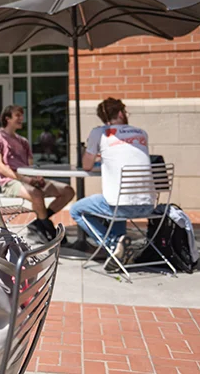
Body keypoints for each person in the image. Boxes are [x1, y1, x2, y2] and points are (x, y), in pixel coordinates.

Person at [70, 97, 155, 271]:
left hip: (120, 205)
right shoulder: (141, 133)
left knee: (76, 210)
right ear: (120, 113)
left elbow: (86, 165)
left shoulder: (100, 133)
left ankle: (112, 244)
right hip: (148, 205)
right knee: (116, 203)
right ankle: (119, 249)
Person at [0, 105, 75, 242]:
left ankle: (38, 223)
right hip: (10, 181)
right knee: (36, 194)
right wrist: (24, 179)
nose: (22, 118)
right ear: (7, 118)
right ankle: (49, 229)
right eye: (17, 115)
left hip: (29, 180)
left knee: (68, 191)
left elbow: (31, 165)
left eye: (22, 115)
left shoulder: (23, 141)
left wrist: (36, 176)